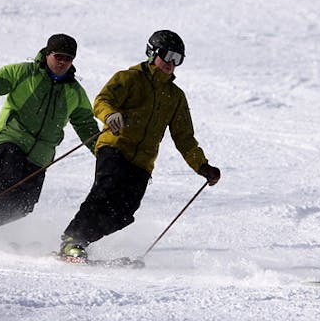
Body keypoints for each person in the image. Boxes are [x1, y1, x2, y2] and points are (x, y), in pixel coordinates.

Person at [59, 30, 221, 260]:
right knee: (104, 194)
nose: (171, 63)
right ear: (152, 53)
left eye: (178, 59)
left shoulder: (175, 96)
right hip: (115, 147)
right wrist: (111, 115)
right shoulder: (129, 78)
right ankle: (73, 240)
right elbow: (102, 101)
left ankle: (81, 240)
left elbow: (184, 137)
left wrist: (202, 166)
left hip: (143, 162)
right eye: (167, 56)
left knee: (124, 213)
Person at [0, 34, 100, 228]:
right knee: (6, 178)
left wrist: (101, 151)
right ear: (47, 54)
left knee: (25, 203)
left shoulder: (74, 92)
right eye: (58, 56)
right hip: (13, 137)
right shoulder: (25, 73)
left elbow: (86, 124)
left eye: (68, 58)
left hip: (41, 155)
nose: (62, 62)